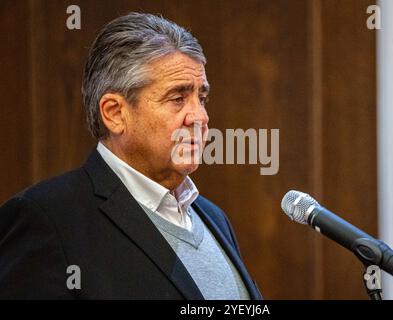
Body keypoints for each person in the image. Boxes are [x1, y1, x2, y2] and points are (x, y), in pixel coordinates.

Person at [0, 12, 262, 300]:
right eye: (177, 98)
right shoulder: (47, 219)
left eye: (201, 98)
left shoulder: (213, 217)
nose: (200, 117)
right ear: (114, 113)